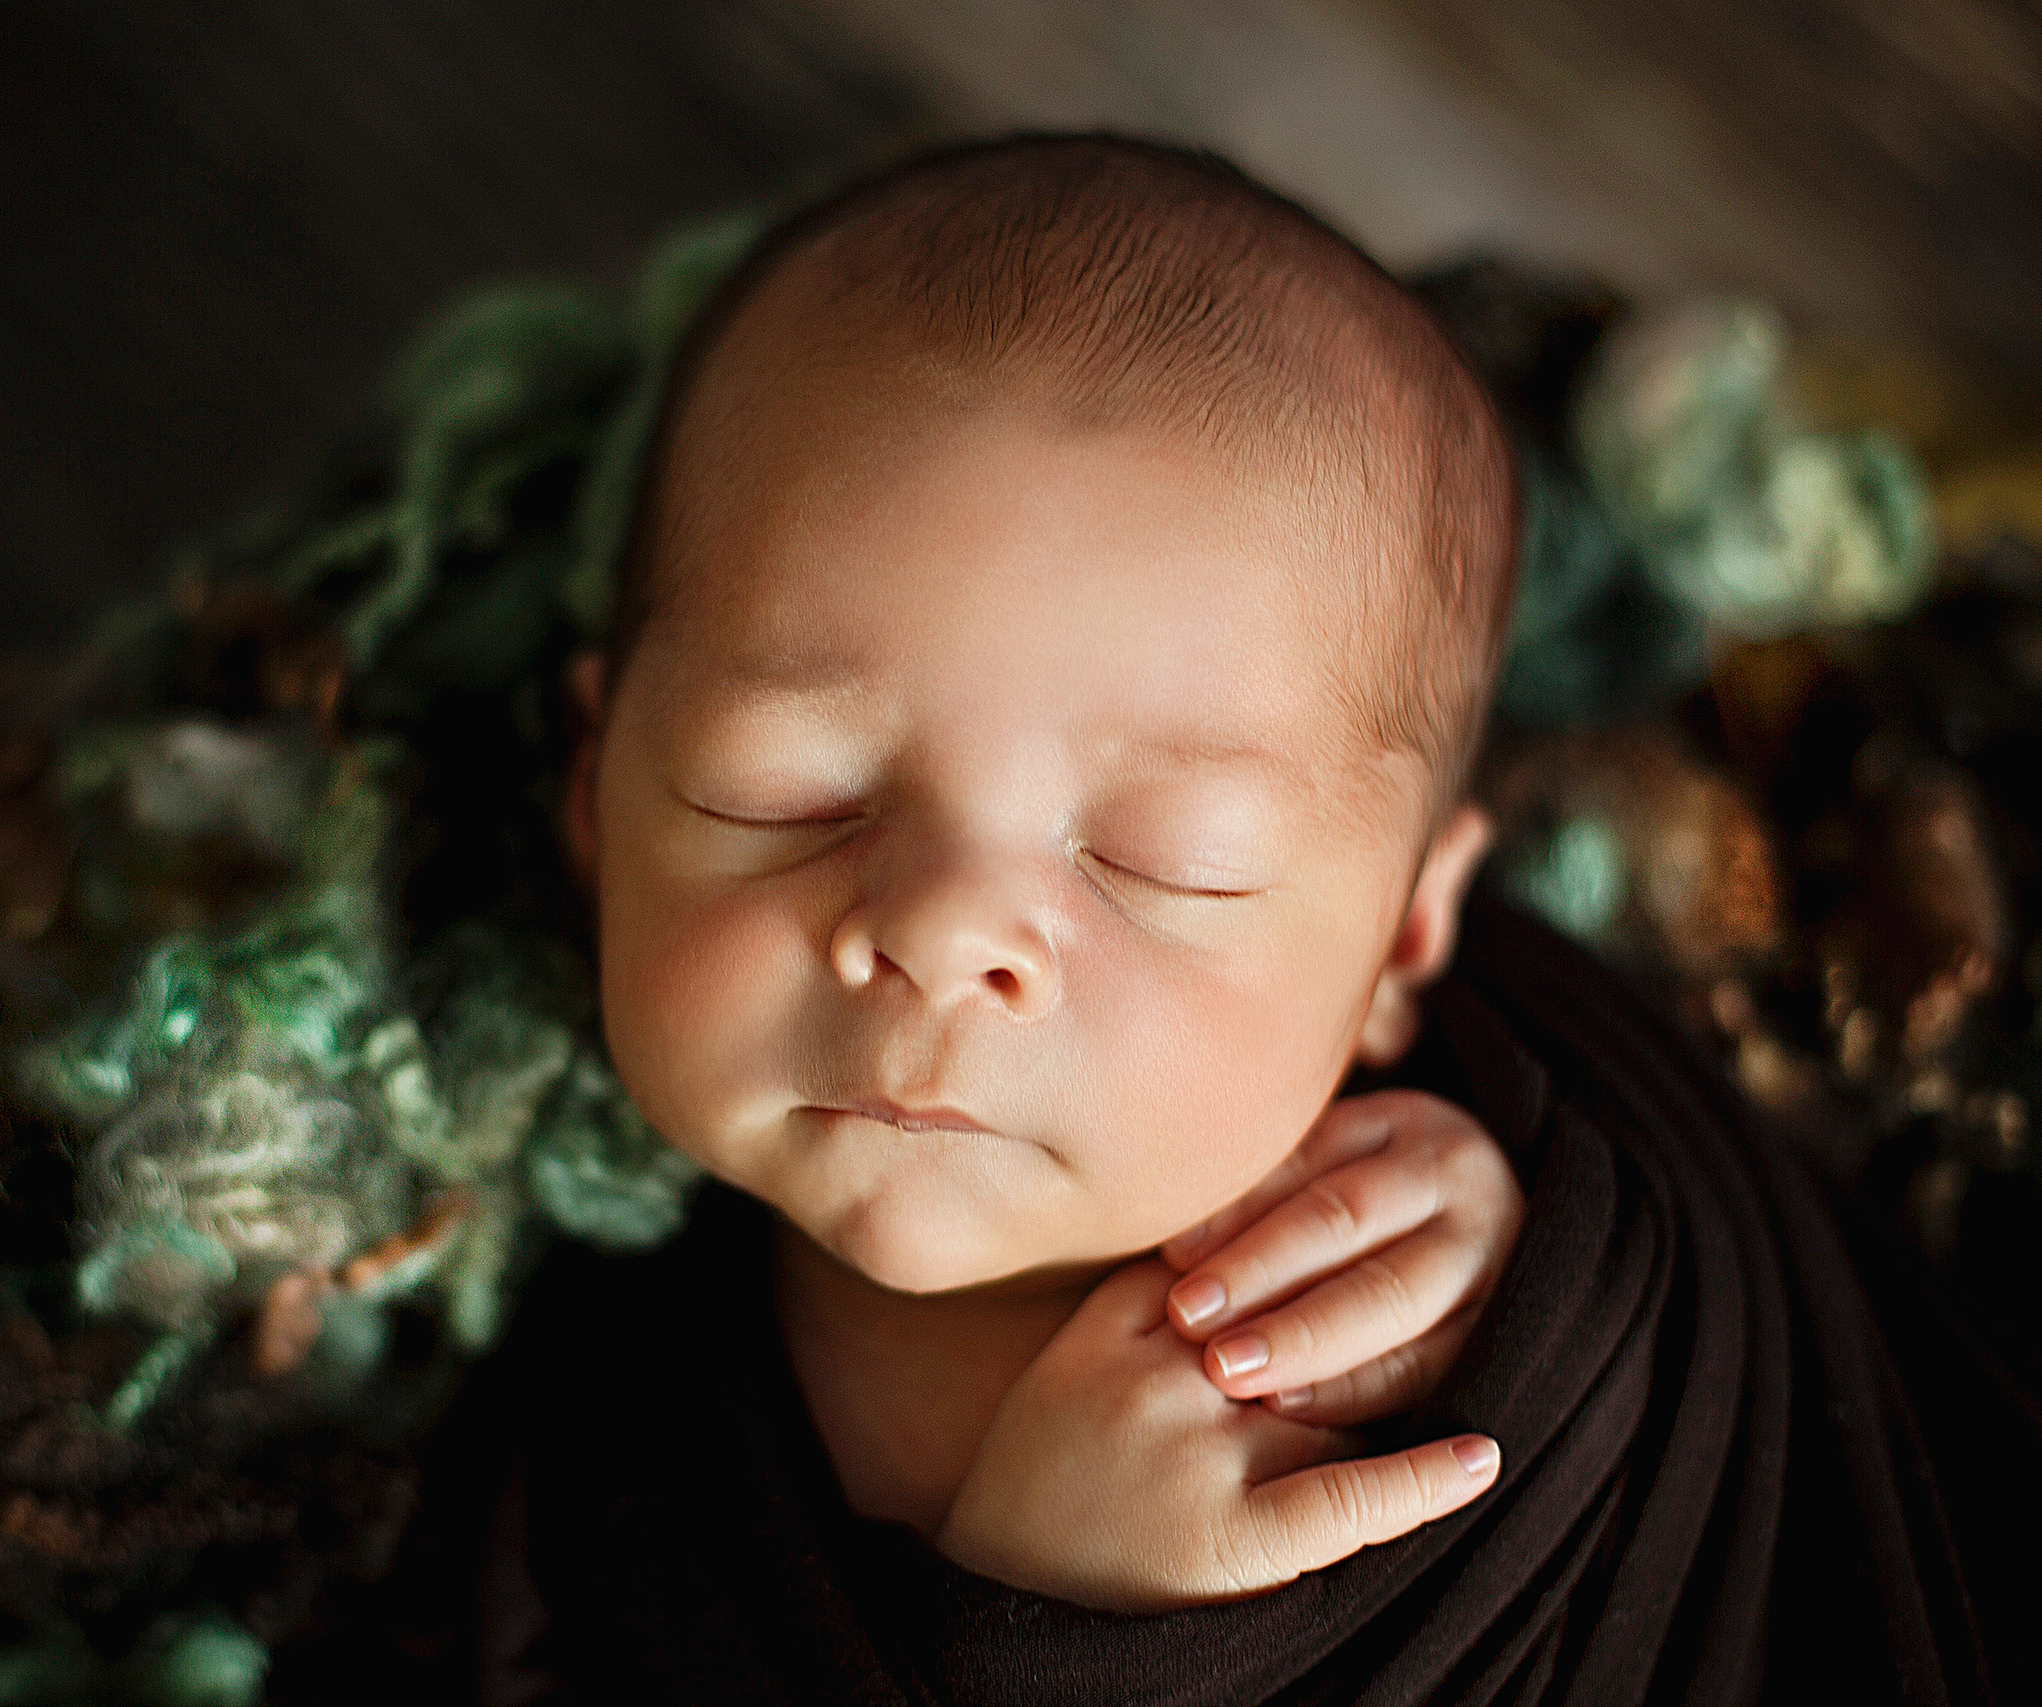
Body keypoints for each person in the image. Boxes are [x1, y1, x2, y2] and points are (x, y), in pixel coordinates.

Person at [336, 134, 2018, 1707]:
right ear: (591, 794)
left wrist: (1560, 1291)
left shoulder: (1542, 1210)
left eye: (1168, 863)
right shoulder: (558, 1391)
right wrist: (1049, 1626)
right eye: (784, 795)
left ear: (1405, 945)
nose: (941, 934)